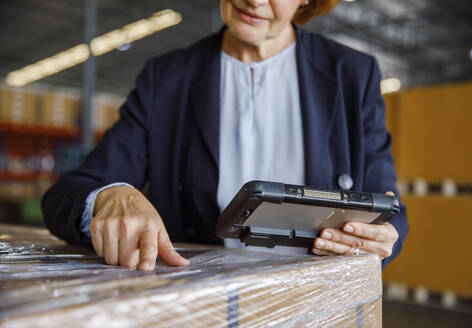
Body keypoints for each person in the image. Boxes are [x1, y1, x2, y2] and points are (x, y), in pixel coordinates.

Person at [42, 0, 408, 271]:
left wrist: (380, 236)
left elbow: (391, 212)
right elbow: (69, 193)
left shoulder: (351, 75)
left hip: (315, 304)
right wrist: (109, 195)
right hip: (200, 309)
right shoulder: (167, 78)